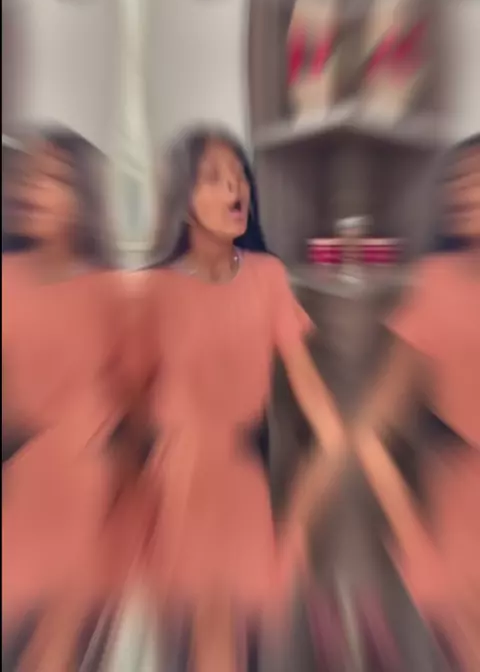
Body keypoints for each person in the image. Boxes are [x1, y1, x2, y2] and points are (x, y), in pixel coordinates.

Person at [133, 125, 345, 672]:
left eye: (240, 174)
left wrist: (297, 531)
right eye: (214, 177)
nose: (236, 188)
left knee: (239, 647)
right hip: (174, 495)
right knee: (203, 647)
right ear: (182, 198)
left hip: (244, 492)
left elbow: (321, 412)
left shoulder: (268, 277)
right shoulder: (151, 291)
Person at [2, 126, 137, 671]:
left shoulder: (110, 294)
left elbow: (135, 415)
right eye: (28, 176)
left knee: (53, 649)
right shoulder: (7, 281)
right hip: (22, 484)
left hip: (87, 496)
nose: (31, 188)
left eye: (52, 178)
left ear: (84, 197)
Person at [354, 133, 480, 670]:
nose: (467, 192)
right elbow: (370, 431)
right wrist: (414, 540)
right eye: (460, 181)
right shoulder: (435, 285)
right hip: (462, 519)